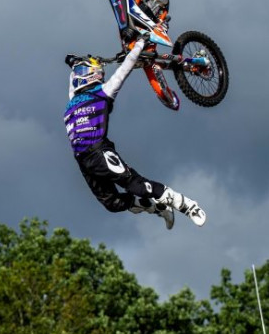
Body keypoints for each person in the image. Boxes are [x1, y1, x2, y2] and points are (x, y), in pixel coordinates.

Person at [64, 34, 206, 229]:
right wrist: (73, 63)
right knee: (112, 203)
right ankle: (157, 208)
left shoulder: (104, 92)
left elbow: (125, 68)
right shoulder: (73, 99)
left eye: (81, 70)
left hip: (99, 151)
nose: (77, 74)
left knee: (136, 185)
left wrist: (139, 45)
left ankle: (186, 204)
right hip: (82, 159)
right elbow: (72, 82)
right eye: (77, 72)